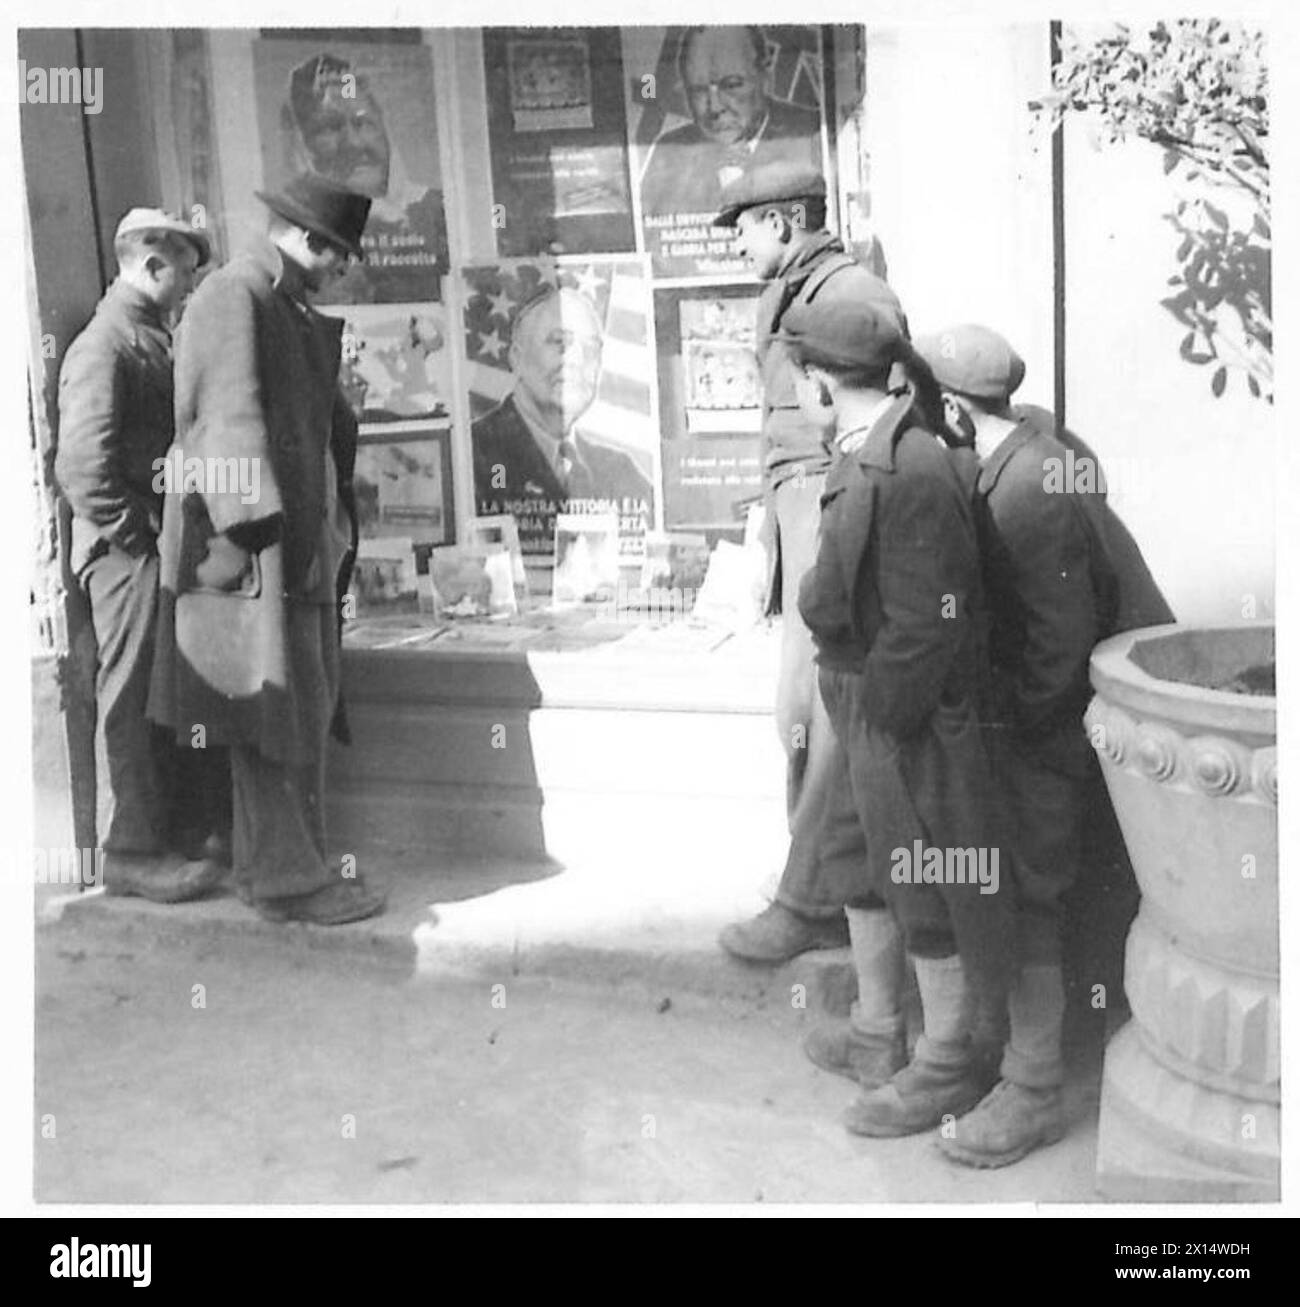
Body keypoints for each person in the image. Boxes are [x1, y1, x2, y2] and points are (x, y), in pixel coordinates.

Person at [914, 324, 1173, 1167]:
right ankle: (1063, 1057)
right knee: (1072, 889)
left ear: (952, 408)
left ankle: (1032, 1091)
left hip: (1067, 719)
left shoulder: (1026, 490)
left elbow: (1057, 650)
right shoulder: (1033, 444)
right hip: (1096, 710)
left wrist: (1007, 736)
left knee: (1029, 889)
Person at [787, 296, 1019, 1137]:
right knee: (857, 858)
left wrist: (884, 716)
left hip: (899, 708)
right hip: (861, 695)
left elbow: (930, 622)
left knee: (922, 879)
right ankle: (879, 1033)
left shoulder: (909, 467)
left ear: (819, 383)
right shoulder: (866, 452)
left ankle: (947, 1063)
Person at [148, 173, 385, 926]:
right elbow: (226, 420)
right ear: (309, 241)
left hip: (288, 549)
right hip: (253, 554)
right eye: (337, 255)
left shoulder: (278, 301)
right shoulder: (236, 295)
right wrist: (259, 534)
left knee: (296, 710)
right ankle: (290, 881)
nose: (340, 270)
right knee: (275, 714)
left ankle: (275, 868)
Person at [712, 162, 907, 964]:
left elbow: (880, 416)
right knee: (797, 708)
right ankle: (815, 873)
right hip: (799, 504)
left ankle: (812, 895)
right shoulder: (796, 288)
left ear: (786, 220)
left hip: (832, 502)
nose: (741, 241)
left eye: (748, 226)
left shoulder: (849, 292)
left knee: (827, 706)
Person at [55, 208, 229, 903]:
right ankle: (131, 851)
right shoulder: (105, 345)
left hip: (154, 548)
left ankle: (176, 834)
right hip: (125, 557)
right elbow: (83, 469)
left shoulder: (146, 335)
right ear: (152, 265)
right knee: (130, 701)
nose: (191, 282)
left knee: (165, 699)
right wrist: (140, 540)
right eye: (186, 269)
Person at [283, 51, 447, 302]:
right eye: (330, 128)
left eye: (363, 124)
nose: (353, 143)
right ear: (303, 145)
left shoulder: (440, 213)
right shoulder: (291, 235)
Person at [472, 285, 652, 507]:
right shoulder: (473, 452)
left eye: (590, 349)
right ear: (517, 358)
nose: (575, 359)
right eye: (559, 342)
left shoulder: (620, 472)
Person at [640, 26, 822, 218]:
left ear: (766, 76)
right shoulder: (669, 153)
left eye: (732, 85)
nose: (715, 107)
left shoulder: (811, 134)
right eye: (698, 90)